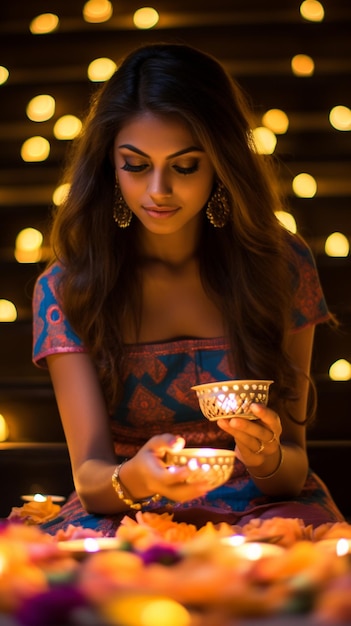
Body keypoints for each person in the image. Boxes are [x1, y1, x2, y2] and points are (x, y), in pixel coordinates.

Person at [32, 42, 344, 536]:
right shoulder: (70, 287)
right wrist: (139, 475)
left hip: (265, 512)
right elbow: (92, 480)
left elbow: (291, 471)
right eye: (136, 165)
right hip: (127, 512)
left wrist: (263, 458)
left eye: (184, 166)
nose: (158, 190)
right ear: (110, 166)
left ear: (220, 163)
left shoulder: (280, 267)